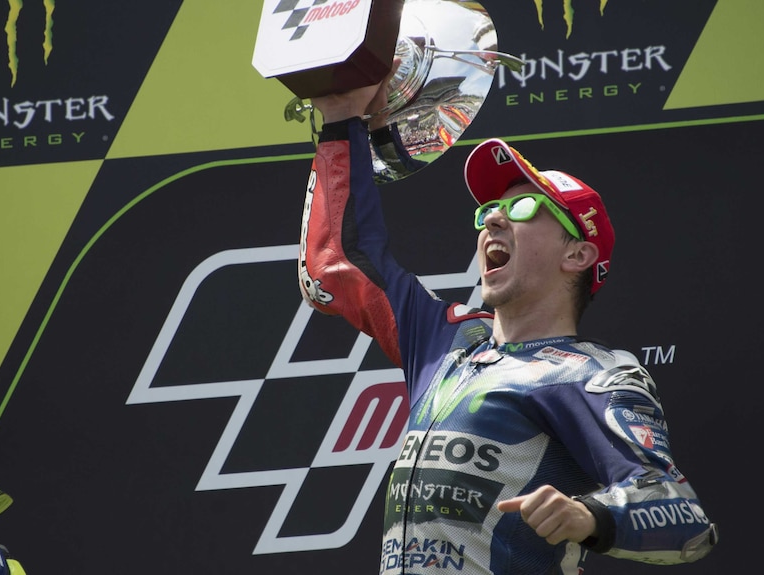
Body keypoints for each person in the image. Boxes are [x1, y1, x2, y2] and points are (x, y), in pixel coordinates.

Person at [297, 71, 718, 575]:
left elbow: (687, 521)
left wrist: (590, 515)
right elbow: (339, 265)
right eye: (489, 209)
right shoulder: (446, 340)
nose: (493, 218)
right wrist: (343, 120)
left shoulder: (589, 376)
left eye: (522, 206)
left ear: (577, 253)